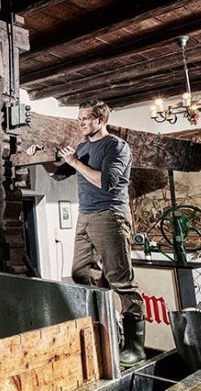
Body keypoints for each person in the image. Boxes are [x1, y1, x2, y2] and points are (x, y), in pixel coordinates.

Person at [27, 99, 146, 367]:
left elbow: (106, 182)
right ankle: (107, 331)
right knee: (81, 273)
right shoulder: (83, 147)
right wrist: (41, 158)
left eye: (86, 118)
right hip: (86, 215)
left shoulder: (116, 146)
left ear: (101, 120)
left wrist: (74, 161)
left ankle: (136, 348)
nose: (81, 123)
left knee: (121, 280)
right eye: (79, 118)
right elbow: (58, 175)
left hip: (110, 215)